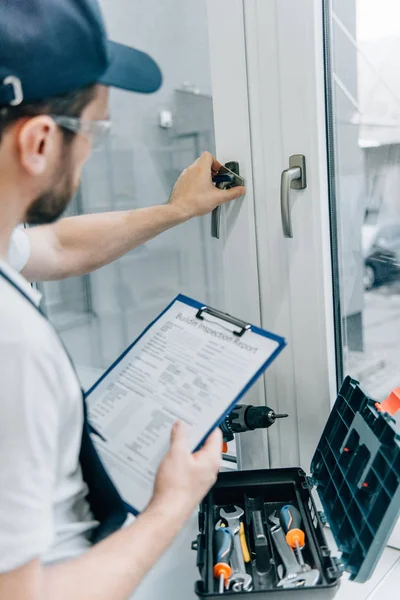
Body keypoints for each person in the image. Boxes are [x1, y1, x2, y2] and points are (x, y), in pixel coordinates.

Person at [0, 1, 245, 599]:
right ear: (38, 142)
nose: (90, 155)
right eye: (95, 131)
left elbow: (51, 244)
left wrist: (176, 210)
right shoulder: (13, 346)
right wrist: (173, 503)